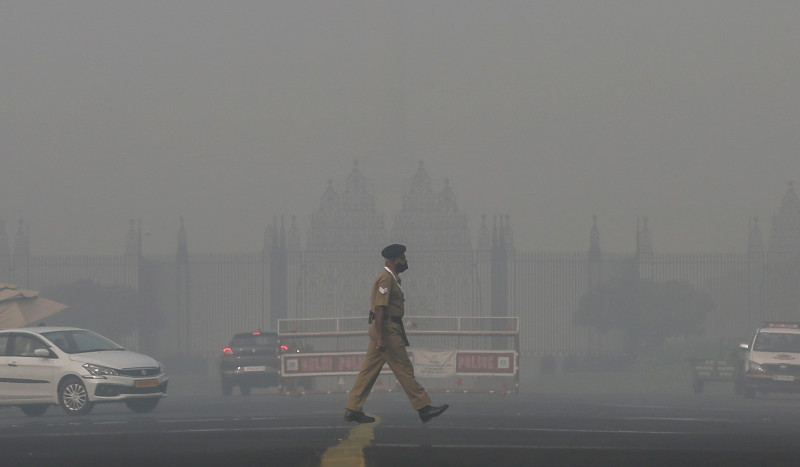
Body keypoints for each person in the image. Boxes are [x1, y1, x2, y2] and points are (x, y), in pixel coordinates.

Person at [344, 243, 449, 424]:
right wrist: (381, 337)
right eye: (403, 258)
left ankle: (353, 408)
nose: (405, 261)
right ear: (394, 260)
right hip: (386, 328)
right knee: (403, 368)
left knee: (368, 371)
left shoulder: (392, 278)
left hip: (386, 328)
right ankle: (423, 407)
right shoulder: (386, 279)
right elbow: (379, 308)